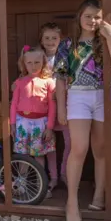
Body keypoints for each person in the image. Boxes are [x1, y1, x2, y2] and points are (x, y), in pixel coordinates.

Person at [54, 0, 111, 221]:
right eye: (88, 16)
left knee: (102, 148)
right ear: (79, 17)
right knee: (79, 148)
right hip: (78, 96)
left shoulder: (103, 40)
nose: (92, 20)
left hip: (104, 96)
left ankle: (99, 196)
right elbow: (60, 78)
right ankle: (72, 202)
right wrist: (61, 108)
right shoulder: (68, 44)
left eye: (97, 16)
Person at [38, 22, 72, 197]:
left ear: (61, 39)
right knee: (48, 145)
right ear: (42, 40)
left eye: (54, 38)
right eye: (47, 38)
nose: (51, 41)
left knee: (70, 143)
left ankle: (66, 174)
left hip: (65, 106)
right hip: (45, 108)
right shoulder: (39, 58)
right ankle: (51, 178)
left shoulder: (66, 57)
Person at [10, 45, 56, 170]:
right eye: (29, 63)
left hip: (41, 123)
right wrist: (13, 124)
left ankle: (40, 184)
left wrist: (50, 127)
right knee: (22, 155)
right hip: (22, 123)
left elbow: (52, 106)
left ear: (43, 62)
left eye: (37, 62)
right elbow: (14, 103)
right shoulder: (19, 82)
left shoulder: (49, 82)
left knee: (39, 155)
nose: (33, 66)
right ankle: (22, 183)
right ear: (24, 64)